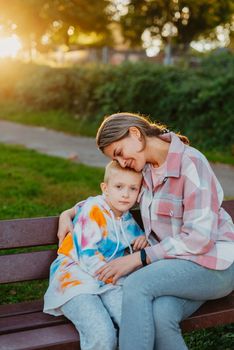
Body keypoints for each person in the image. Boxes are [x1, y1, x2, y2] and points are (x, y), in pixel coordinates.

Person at [58, 112, 234, 350]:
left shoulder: (191, 164)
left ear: (135, 133)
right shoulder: (146, 169)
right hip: (175, 268)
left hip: (213, 266)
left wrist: (141, 257)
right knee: (160, 316)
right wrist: (69, 213)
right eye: (115, 159)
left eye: (119, 152)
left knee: (136, 283)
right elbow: (115, 199)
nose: (121, 162)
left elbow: (200, 239)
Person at [44, 160, 147, 350]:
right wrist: (114, 277)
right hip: (74, 280)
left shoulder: (125, 217)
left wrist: (142, 241)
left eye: (133, 188)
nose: (125, 194)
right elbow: (87, 254)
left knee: (133, 324)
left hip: (107, 281)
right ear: (105, 188)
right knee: (103, 335)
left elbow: (135, 237)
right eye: (119, 187)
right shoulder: (93, 210)